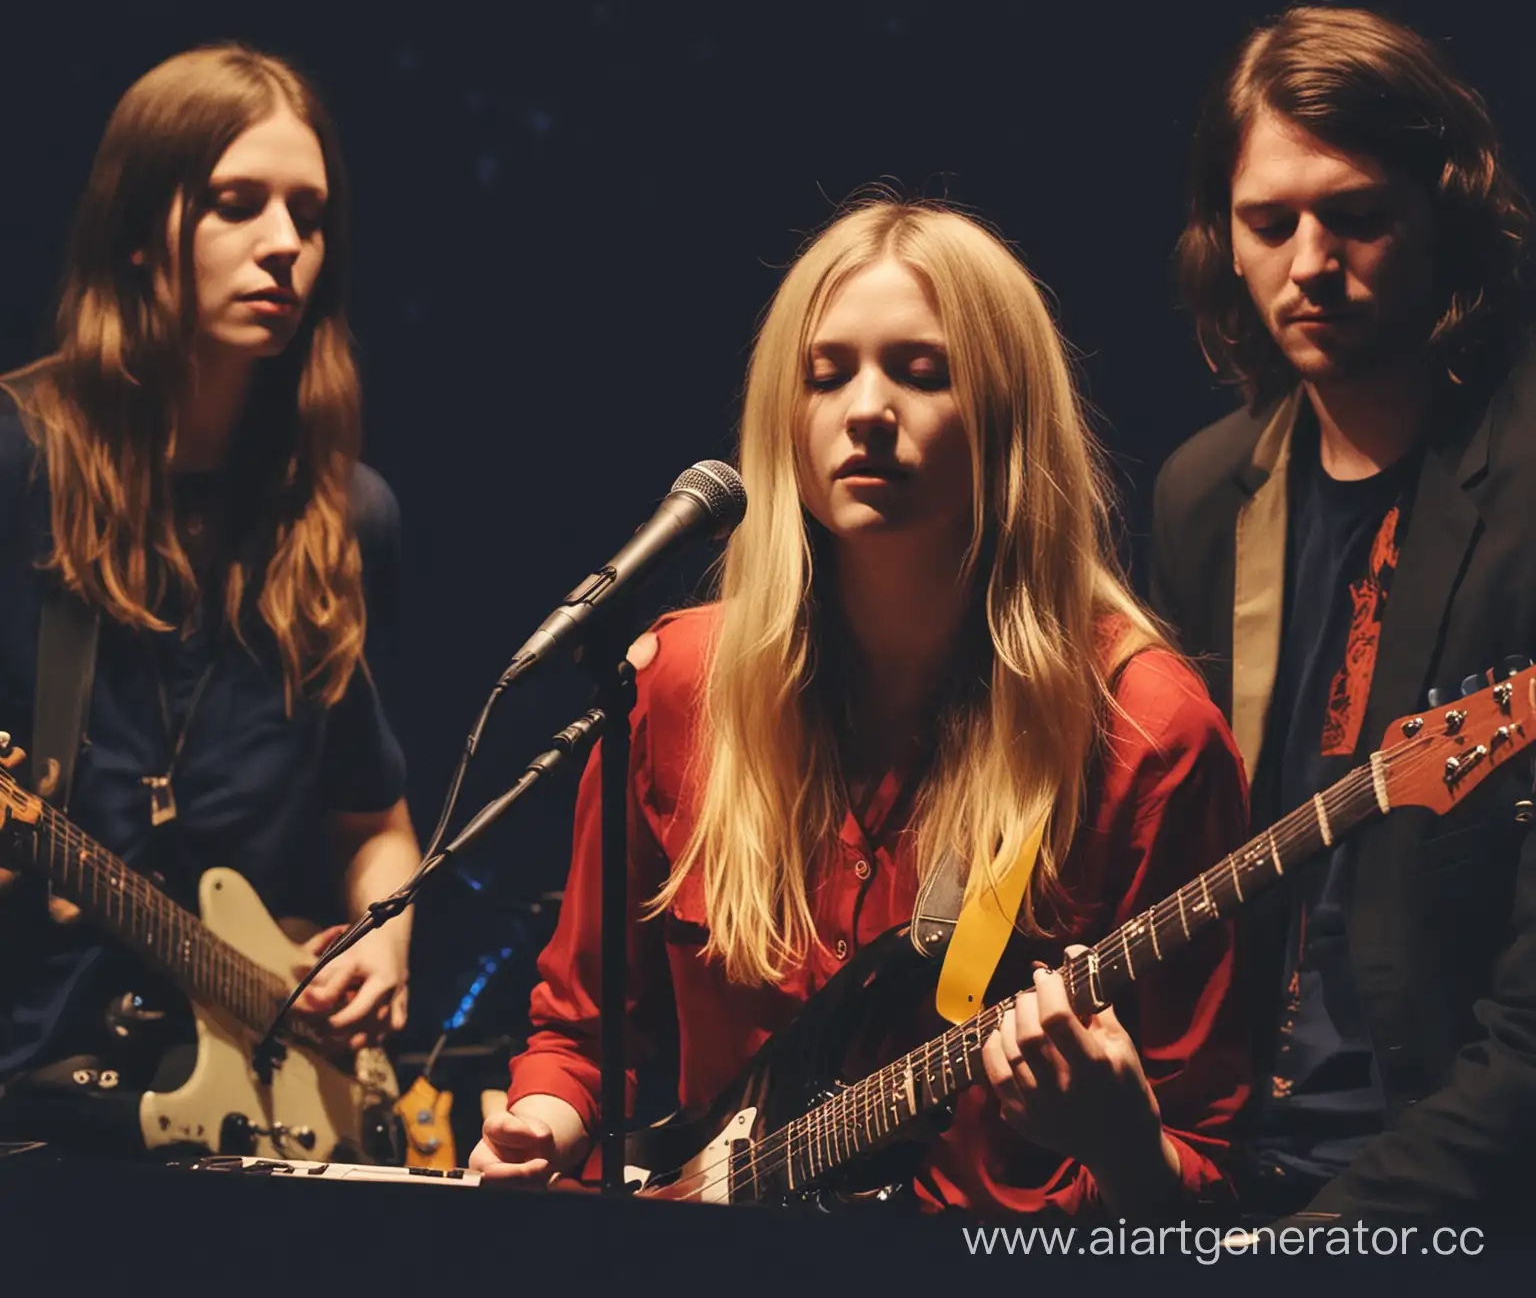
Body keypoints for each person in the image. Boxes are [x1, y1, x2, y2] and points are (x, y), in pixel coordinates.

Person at [470, 199, 1250, 1217]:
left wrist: (1126, 1146)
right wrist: (545, 1121)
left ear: (1008, 418)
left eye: (922, 373)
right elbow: (579, 1039)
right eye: (827, 374)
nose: (866, 408)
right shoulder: (673, 685)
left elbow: (1208, 1176)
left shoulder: (1142, 730)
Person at [1151, 4, 1536, 1226]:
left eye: (1357, 216)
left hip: (1448, 1183)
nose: (1311, 260)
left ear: (1444, 217)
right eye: (1270, 223)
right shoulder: (1205, 498)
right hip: (1230, 1154)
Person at [0, 45, 418, 1145]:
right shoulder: (16, 473)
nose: (286, 245)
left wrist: (385, 933)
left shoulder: (344, 516)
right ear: (138, 231)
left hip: (249, 1108)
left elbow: (374, 819)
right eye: (238, 205)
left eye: (310, 216)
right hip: (29, 1089)